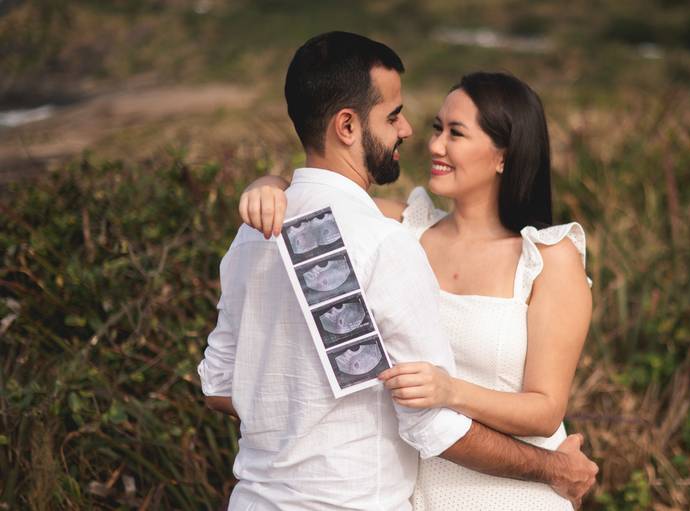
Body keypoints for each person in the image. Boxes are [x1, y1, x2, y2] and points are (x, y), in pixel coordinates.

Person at [200, 31, 597, 511]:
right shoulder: (396, 233)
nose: (418, 136)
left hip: (495, 490)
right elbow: (427, 423)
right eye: (404, 119)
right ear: (348, 126)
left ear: (504, 154)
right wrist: (267, 186)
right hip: (409, 490)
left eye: (456, 132)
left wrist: (447, 391)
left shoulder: (545, 257)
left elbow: (220, 386)